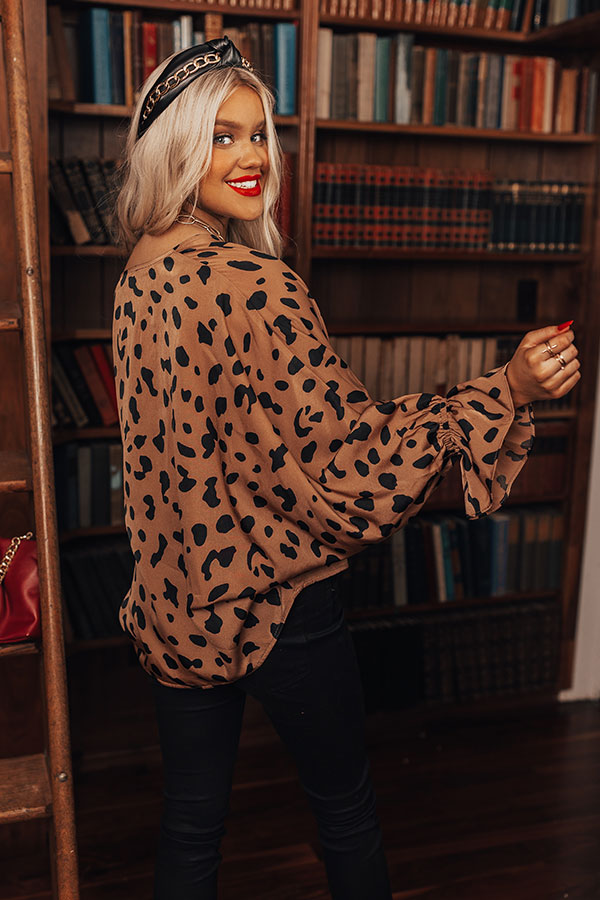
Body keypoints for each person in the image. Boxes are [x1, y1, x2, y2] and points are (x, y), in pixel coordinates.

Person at [112, 37, 580, 900]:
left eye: (259, 133)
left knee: (190, 829)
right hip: (283, 604)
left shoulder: (138, 276)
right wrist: (506, 389)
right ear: (175, 145)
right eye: (222, 136)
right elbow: (355, 459)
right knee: (346, 814)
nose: (252, 157)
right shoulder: (256, 286)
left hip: (178, 604)